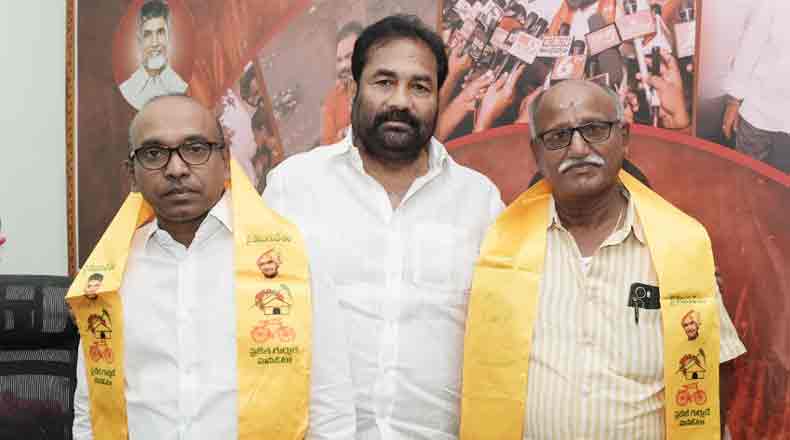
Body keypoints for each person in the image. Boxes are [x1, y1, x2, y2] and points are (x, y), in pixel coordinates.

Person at [461, 80, 745, 439]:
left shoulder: (682, 249)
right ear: (537, 152)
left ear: (623, 137)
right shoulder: (501, 249)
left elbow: (713, 379)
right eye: (558, 136)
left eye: (595, 129)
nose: (579, 148)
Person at [264, 15, 504, 439]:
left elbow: (504, 334)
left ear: (438, 96)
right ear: (353, 88)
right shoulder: (293, 187)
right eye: (384, 82)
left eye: (420, 87)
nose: (401, 101)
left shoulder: (479, 201)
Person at [70, 94, 355, 439]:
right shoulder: (109, 273)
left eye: (195, 149)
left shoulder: (292, 258)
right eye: (154, 154)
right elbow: (91, 410)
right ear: (132, 174)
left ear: (225, 160)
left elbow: (330, 407)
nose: (176, 168)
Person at [721, 1, 790, 173]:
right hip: (758, 113)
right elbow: (749, 48)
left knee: (781, 187)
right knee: (745, 179)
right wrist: (733, 102)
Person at [119, 0, 188, 110]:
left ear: (169, 36)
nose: (155, 43)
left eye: (160, 32)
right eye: (147, 34)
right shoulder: (126, 90)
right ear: (139, 40)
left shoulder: (182, 88)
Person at [320, 21, 363, 145]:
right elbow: (328, 148)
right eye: (339, 60)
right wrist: (345, 135)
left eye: (349, 56)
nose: (343, 65)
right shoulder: (333, 101)